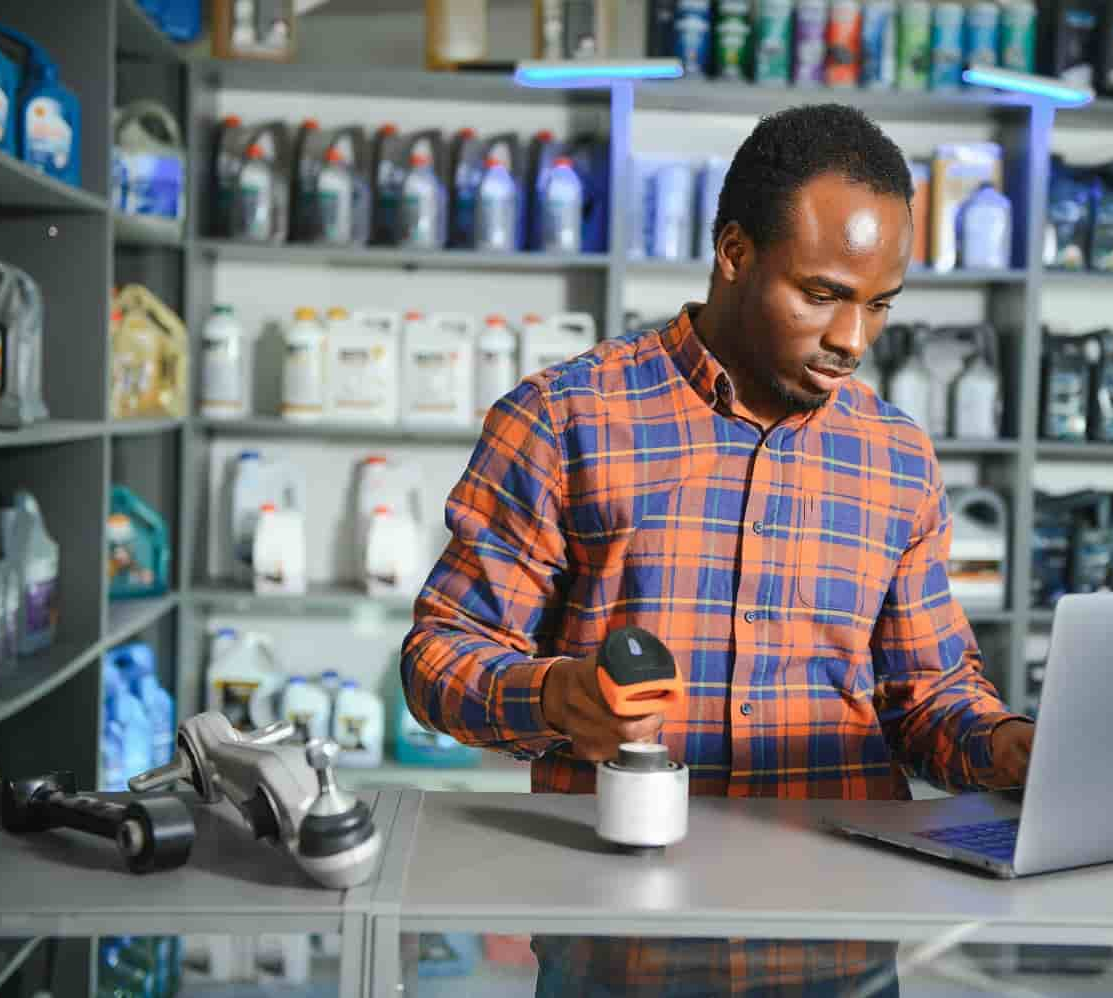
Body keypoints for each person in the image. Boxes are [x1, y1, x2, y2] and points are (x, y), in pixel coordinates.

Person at [402, 103, 1033, 996]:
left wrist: (1010, 745)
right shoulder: (563, 417)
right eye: (821, 295)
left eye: (879, 305)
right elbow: (438, 657)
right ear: (734, 253)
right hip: (619, 947)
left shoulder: (897, 456)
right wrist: (556, 695)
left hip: (843, 945)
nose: (853, 339)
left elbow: (927, 694)